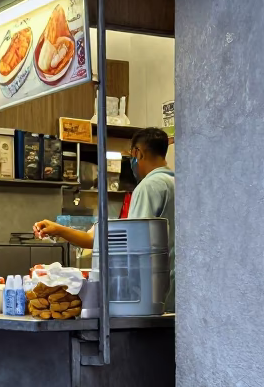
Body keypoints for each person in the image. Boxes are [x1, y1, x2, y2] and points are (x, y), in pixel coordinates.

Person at [34, 126, 176, 312]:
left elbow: (132, 243)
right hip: (175, 286)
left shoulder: (149, 186)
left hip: (152, 291)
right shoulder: (175, 182)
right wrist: (60, 230)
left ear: (137, 153)